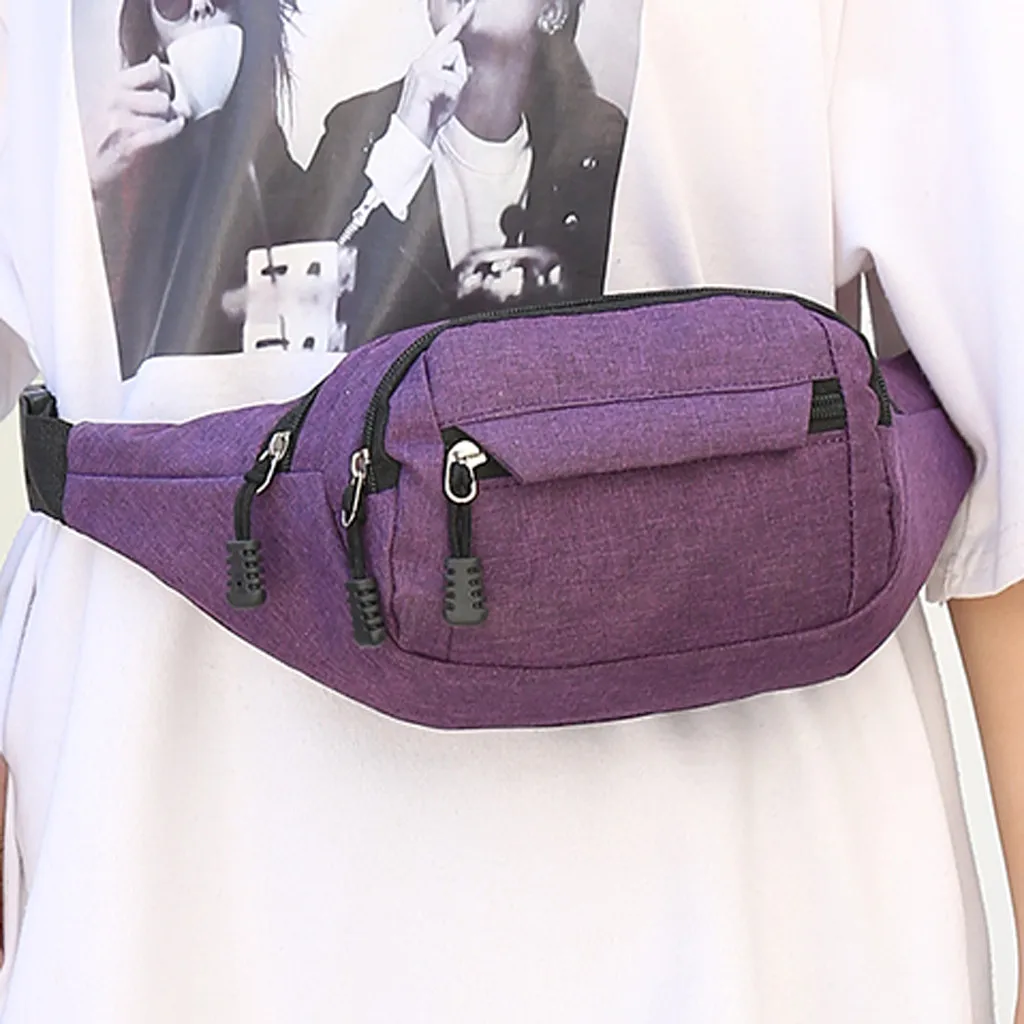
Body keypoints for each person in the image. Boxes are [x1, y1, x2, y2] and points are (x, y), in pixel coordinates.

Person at [0, 0, 1021, 1021]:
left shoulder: (592, 137)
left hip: (748, 907)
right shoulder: (355, 126)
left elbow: (1002, 441)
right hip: (160, 882)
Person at [301, 0, 628, 349]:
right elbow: (304, 314)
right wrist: (404, 144)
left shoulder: (596, 146)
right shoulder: (356, 131)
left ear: (552, 10)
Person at [87, 0, 303, 378]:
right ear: (153, 34)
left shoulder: (271, 158)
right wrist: (92, 191)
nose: (201, 6)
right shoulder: (120, 168)